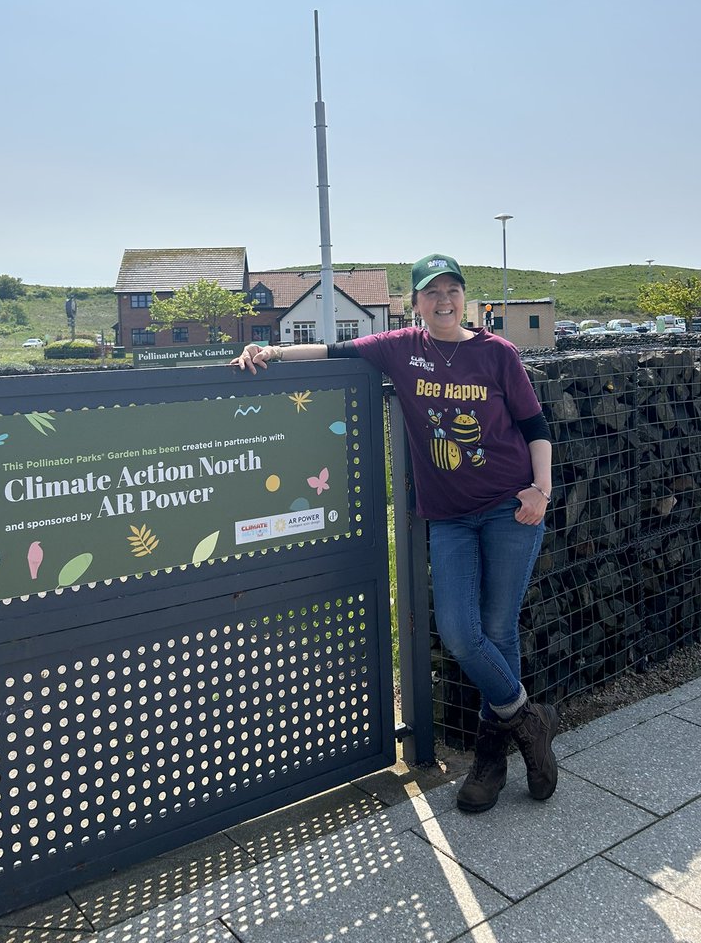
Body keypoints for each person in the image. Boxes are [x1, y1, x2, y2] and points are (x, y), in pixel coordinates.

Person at [231, 253, 557, 814]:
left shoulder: (497, 353)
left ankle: (490, 760)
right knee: (461, 634)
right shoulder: (401, 348)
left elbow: (536, 429)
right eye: (432, 293)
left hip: (510, 508)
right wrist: (271, 350)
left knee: (499, 632)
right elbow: (332, 351)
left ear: (465, 297)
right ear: (416, 303)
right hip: (451, 518)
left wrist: (540, 491)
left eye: (453, 290)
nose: (445, 301)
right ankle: (528, 721)